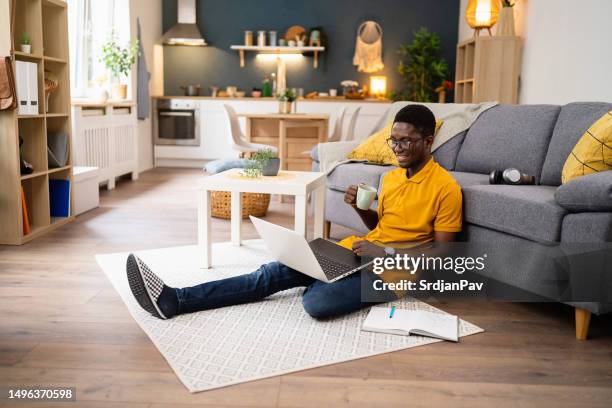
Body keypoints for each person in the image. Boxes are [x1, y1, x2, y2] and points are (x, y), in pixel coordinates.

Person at [126, 105, 463, 320]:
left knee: (315, 304)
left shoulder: (446, 188)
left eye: (407, 141)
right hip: (358, 253)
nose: (398, 148)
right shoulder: (389, 177)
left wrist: (383, 252)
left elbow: (444, 254)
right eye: (394, 140)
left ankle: (324, 281)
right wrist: (361, 211)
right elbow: (383, 226)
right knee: (269, 274)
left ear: (428, 142)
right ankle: (176, 300)